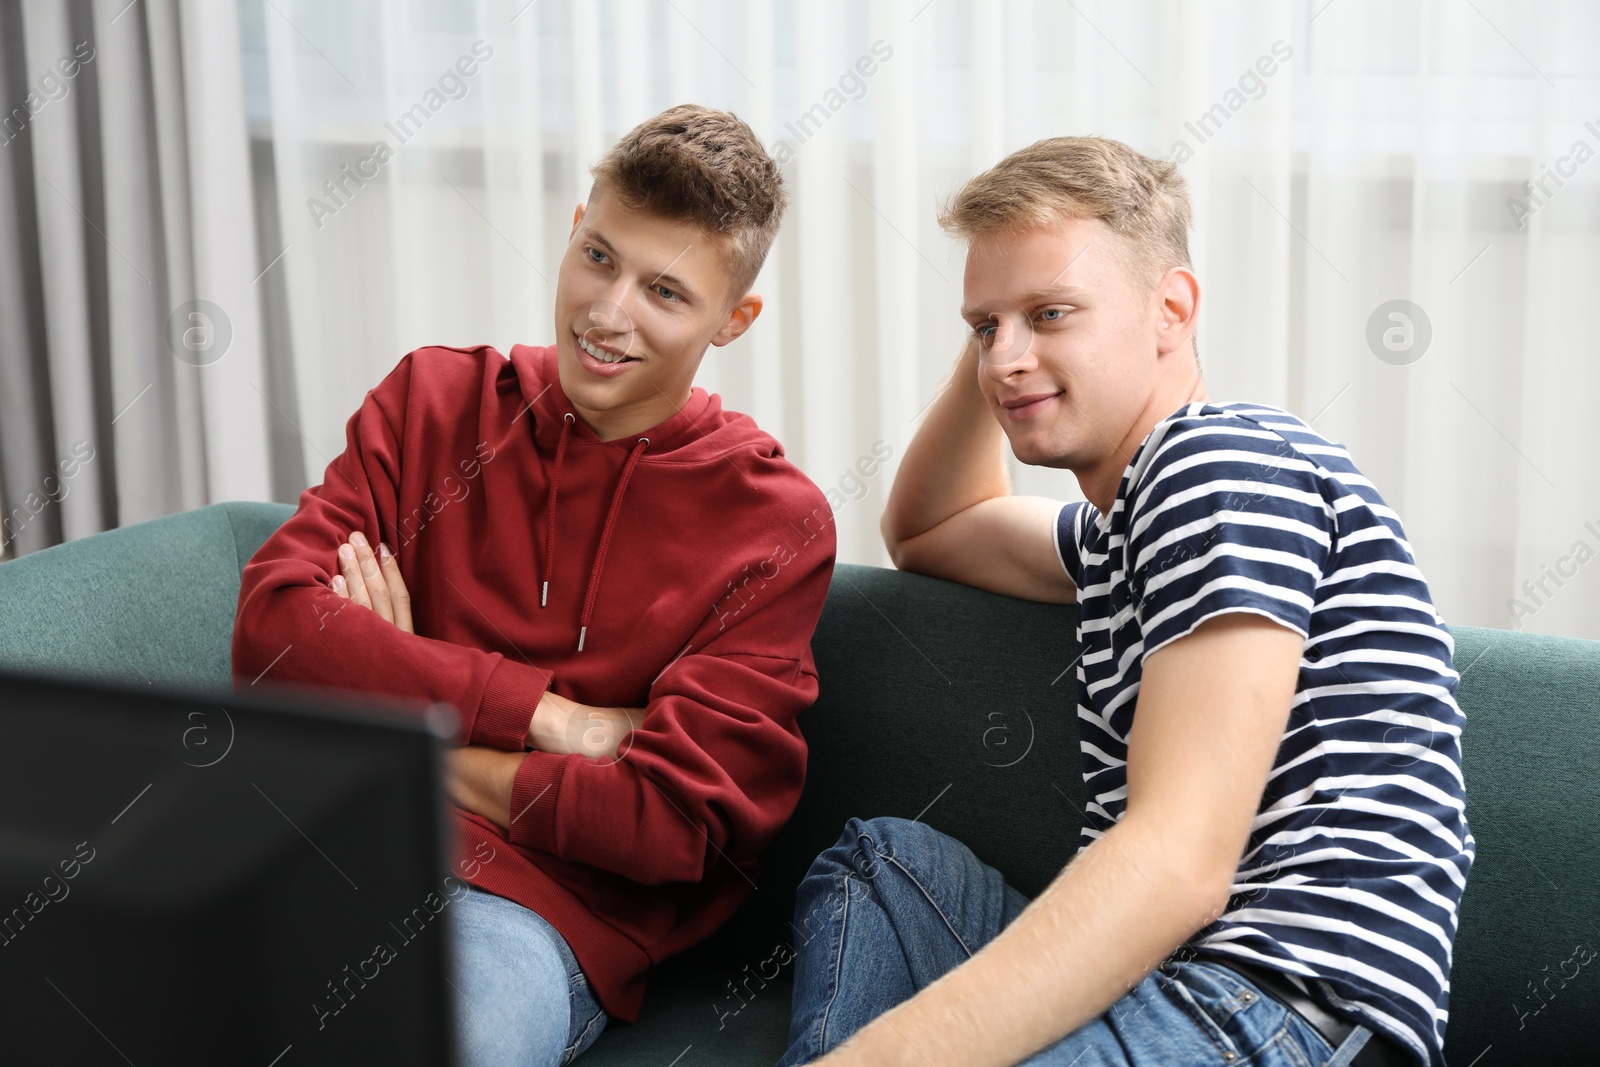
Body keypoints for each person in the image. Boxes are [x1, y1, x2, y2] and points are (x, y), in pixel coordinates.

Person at [777, 136, 1471, 1067]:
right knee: (884, 865)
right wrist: (1014, 330)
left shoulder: (1218, 464)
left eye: (1053, 312)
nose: (1007, 358)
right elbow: (930, 529)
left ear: (1171, 310)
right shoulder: (1123, 530)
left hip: (1280, 1011)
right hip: (1177, 982)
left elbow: (1180, 863)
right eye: (987, 327)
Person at [231, 104, 837, 1067]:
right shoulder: (432, 403)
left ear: (734, 320)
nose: (608, 312)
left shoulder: (773, 522)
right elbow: (271, 632)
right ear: (572, 232)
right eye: (599, 258)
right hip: (321, 840)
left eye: (665, 293)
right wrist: (559, 719)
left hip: (526, 910)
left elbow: (673, 825)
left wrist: (397, 716)